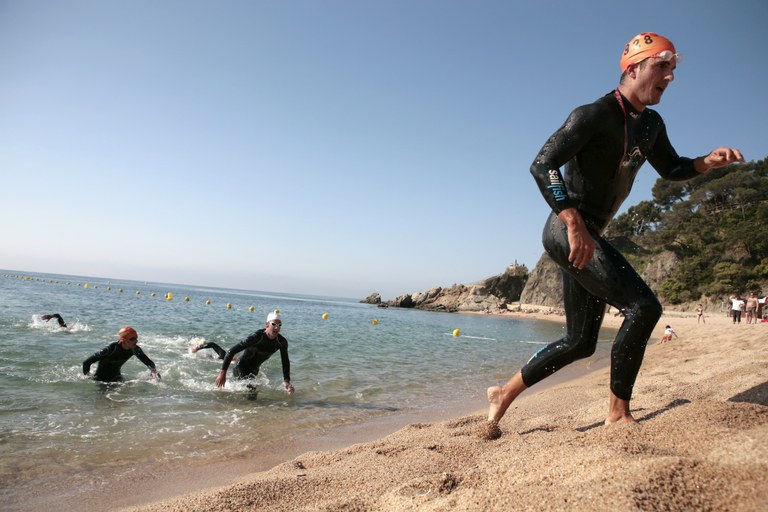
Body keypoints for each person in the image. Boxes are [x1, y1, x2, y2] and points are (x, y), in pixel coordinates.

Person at [486, 32, 744, 427]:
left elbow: (671, 168)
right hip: (565, 228)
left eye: (673, 69)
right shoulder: (593, 114)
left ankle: (503, 393)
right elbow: (543, 164)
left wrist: (706, 162)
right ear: (633, 67)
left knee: (580, 342)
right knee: (644, 307)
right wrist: (573, 222)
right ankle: (618, 414)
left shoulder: (651, 124)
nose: (670, 77)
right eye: (662, 66)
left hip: (591, 234)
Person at [214, 310, 294, 394]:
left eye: (279, 325)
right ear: (267, 324)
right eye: (273, 324)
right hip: (240, 366)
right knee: (251, 394)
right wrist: (222, 373)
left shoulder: (282, 342)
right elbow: (231, 351)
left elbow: (285, 361)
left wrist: (287, 381)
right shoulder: (255, 337)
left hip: (254, 371)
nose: (277, 327)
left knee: (249, 392)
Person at [82, 326, 161, 383]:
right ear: (123, 340)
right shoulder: (110, 349)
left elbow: (149, 362)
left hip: (118, 378)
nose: (136, 341)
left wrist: (153, 371)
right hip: (101, 380)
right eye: (132, 339)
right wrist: (88, 378)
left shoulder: (134, 349)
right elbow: (86, 363)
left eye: (136, 338)